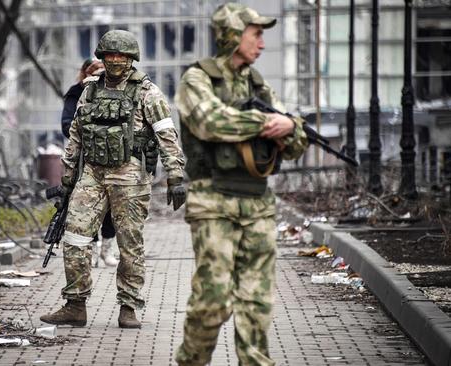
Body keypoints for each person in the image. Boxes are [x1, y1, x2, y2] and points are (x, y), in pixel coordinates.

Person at [174, 4, 308, 366]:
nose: (263, 43)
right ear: (233, 35)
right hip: (213, 201)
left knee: (257, 302)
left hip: (258, 204)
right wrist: (270, 122)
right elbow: (210, 122)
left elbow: (295, 144)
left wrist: (291, 127)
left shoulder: (258, 84)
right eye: (257, 34)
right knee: (212, 302)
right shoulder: (197, 79)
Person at [40, 30, 186, 329]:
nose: (116, 60)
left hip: (130, 178)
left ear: (132, 58)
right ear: (102, 57)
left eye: (122, 56)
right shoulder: (90, 90)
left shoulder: (148, 93)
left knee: (130, 245)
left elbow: (167, 136)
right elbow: (76, 136)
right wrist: (67, 178)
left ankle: (129, 306)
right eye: (110, 55)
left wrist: (175, 176)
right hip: (92, 175)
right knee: (75, 238)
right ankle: (75, 304)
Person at [61, 59, 118, 267]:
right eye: (94, 71)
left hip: (113, 159)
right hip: (86, 159)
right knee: (87, 208)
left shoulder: (116, 92)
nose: (99, 75)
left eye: (102, 70)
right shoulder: (77, 92)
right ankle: (92, 250)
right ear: (85, 73)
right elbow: (67, 124)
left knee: (112, 206)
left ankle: (107, 250)